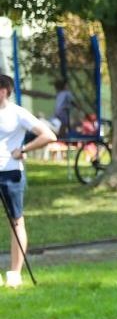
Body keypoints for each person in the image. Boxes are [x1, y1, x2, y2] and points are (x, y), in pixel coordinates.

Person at [0, 74, 56, 288]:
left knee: (16, 221)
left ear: (4, 90)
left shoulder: (17, 114)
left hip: (11, 173)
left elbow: (48, 135)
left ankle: (15, 273)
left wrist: (23, 149)